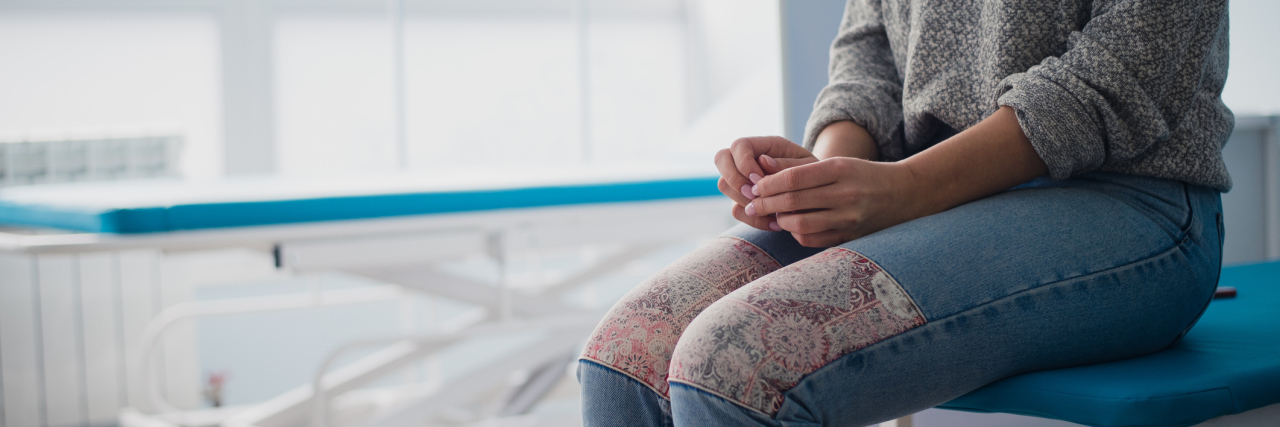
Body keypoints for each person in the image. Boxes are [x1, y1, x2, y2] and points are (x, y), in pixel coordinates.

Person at [578, 0, 1232, 425]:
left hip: (1126, 205)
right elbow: (867, 58)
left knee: (735, 362)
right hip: (922, 201)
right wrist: (825, 178)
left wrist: (904, 190)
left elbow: (1114, 77)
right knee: (626, 354)